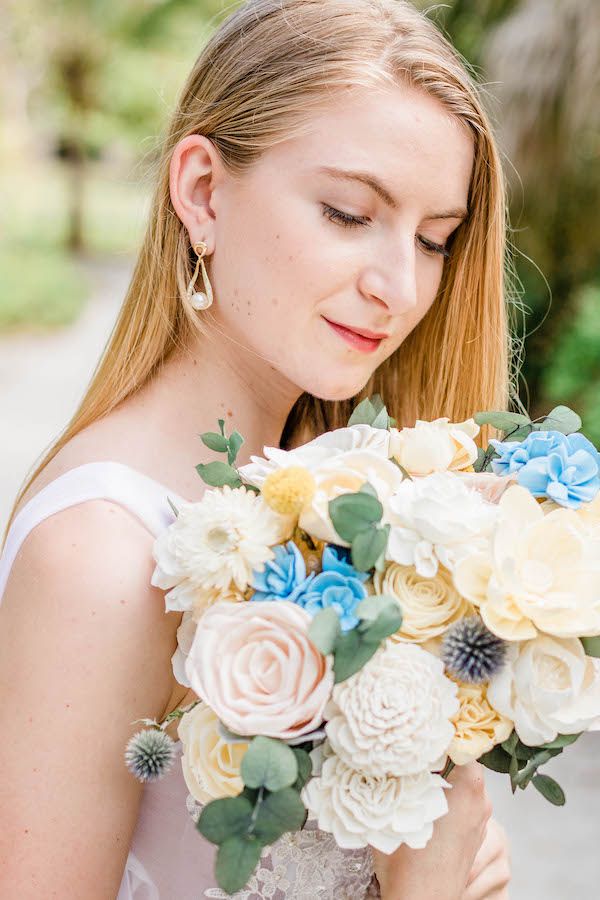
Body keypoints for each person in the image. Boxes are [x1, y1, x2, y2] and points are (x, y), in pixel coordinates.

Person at [0, 0, 514, 897]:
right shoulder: (102, 557)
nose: (399, 286)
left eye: (436, 239)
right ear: (203, 191)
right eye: (350, 213)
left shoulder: (334, 496)